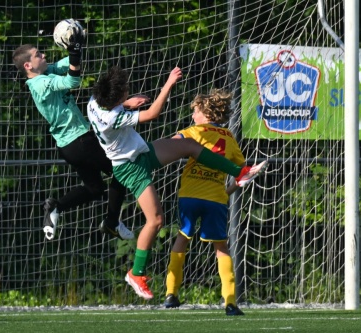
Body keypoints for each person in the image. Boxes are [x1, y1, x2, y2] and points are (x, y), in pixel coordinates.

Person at [87, 66, 268, 300]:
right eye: (125, 92)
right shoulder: (112, 118)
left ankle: (239, 172)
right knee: (156, 220)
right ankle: (136, 273)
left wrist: (129, 102)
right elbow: (152, 114)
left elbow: (114, 105)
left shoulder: (94, 100)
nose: (128, 92)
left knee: (190, 146)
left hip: (139, 152)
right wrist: (169, 83)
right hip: (130, 167)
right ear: (114, 99)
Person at [12, 22, 147, 241]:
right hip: (80, 141)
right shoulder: (40, 84)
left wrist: (75, 47)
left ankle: (56, 206)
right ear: (28, 65)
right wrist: (74, 53)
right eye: (38, 54)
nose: (43, 54)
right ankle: (112, 222)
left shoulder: (46, 71)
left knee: (94, 189)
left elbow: (70, 63)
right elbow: (73, 80)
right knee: (123, 170)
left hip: (70, 146)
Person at [164, 89, 264, 315]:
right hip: (216, 199)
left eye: (195, 111)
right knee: (221, 247)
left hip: (189, 195)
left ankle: (171, 294)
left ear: (204, 112)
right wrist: (231, 188)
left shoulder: (192, 131)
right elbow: (241, 174)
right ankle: (230, 302)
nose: (193, 116)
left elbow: (168, 145)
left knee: (182, 237)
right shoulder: (229, 137)